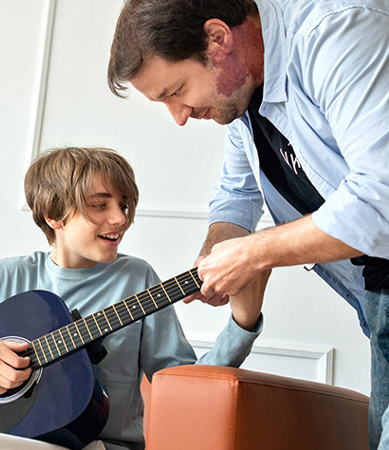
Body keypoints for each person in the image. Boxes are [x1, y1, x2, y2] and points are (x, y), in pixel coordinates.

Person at [107, 0, 389, 448]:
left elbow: (381, 199)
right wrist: (219, 251)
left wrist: (253, 253)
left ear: (218, 39)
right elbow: (237, 194)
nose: (178, 116)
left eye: (175, 91)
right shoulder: (242, 98)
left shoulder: (335, 33)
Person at [0, 146, 268, 450]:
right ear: (54, 216)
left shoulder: (137, 278)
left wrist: (242, 324)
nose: (120, 219)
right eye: (100, 206)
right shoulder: (5, 276)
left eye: (124, 205)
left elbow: (185, 387)